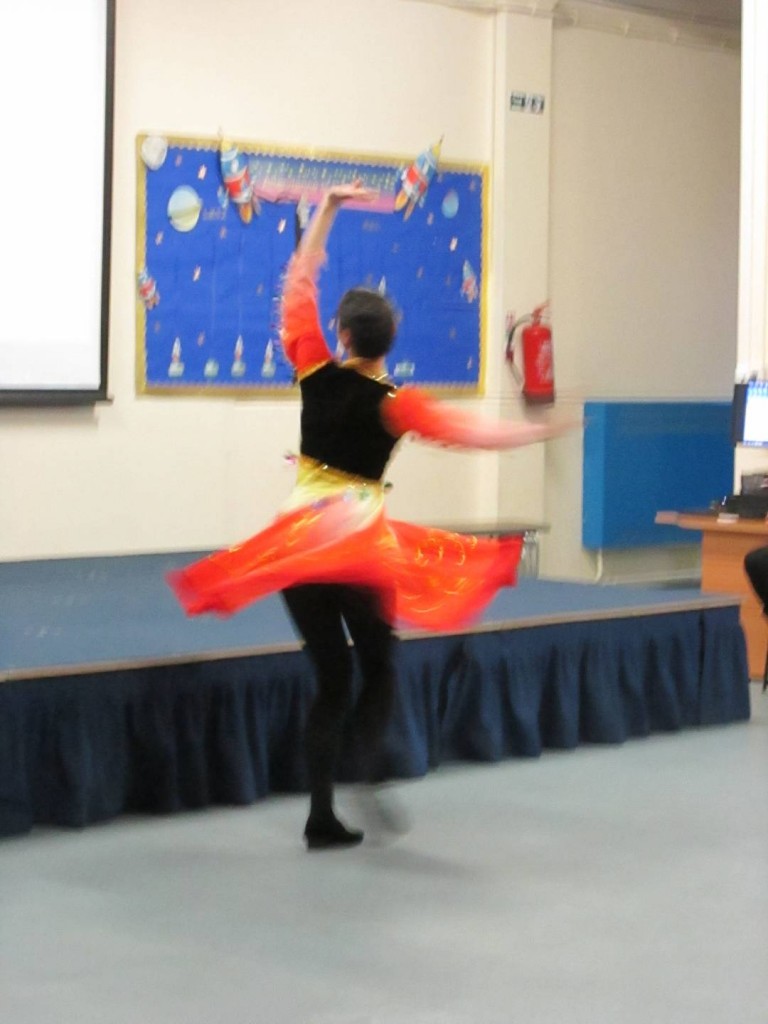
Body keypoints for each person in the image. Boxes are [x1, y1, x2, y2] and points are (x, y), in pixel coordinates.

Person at [168, 181, 580, 850]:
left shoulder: (314, 369)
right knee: (381, 663)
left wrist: (328, 209)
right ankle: (364, 765)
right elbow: (468, 431)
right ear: (389, 342)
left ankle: (320, 814)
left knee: (331, 677)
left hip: (300, 546)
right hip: (356, 549)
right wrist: (534, 432)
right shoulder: (396, 402)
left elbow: (298, 282)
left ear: (342, 335)